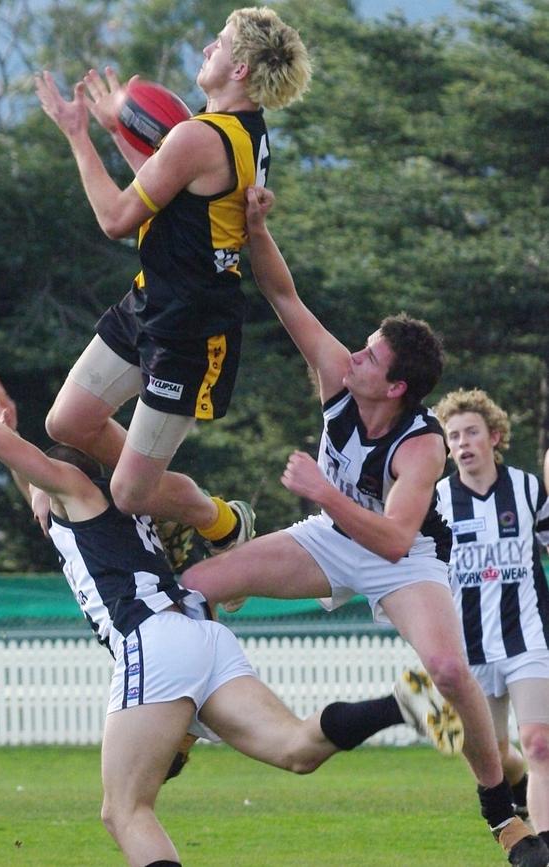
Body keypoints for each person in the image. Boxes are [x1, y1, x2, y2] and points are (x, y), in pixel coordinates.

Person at [180, 188, 549, 866]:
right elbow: (284, 296)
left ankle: (502, 812)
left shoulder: (421, 444)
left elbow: (394, 539)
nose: (355, 356)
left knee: (445, 667)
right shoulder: (339, 376)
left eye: (372, 358)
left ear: (397, 388)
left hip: (404, 559)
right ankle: (185, 723)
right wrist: (258, 226)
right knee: (193, 585)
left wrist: (322, 487)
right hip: (331, 536)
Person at [0, 376, 462, 867]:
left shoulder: (80, 492)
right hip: (199, 632)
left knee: (123, 811)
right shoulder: (73, 511)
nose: (39, 492)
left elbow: (14, 456)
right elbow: (36, 488)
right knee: (296, 750)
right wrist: (13, 444)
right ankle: (398, 705)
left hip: (154, 637)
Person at [34, 7, 312, 558]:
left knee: (130, 493)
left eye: (221, 43)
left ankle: (223, 523)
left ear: (240, 69)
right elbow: (169, 190)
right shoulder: (243, 133)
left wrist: (78, 134)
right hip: (151, 302)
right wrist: (120, 127)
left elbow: (116, 218)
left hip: (190, 330)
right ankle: (163, 492)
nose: (209, 48)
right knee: (67, 422)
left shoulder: (198, 137)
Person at [434, 387, 549, 842]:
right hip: (469, 648)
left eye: (471, 433)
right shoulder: (436, 499)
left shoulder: (527, 489)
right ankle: (517, 785)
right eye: (453, 435)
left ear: (494, 437)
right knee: (495, 755)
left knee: (540, 743)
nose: (462, 443)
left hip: (528, 638)